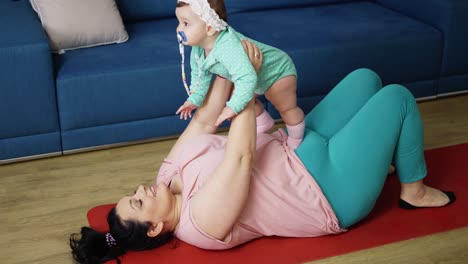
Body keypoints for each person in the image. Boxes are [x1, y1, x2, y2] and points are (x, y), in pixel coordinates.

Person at [69, 41, 456, 264]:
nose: (141, 190)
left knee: (366, 78)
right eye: (138, 202)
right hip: (326, 192)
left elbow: (205, 121)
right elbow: (241, 157)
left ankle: (377, 157)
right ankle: (413, 191)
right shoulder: (199, 224)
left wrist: (221, 55)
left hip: (296, 145)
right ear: (154, 228)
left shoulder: (168, 175)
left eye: (132, 193)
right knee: (397, 99)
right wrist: (246, 82)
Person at [174, 0, 305, 148]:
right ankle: (263, 121)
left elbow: (246, 78)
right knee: (237, 97)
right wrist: (194, 100)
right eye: (178, 22)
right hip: (252, 77)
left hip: (277, 72)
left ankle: (296, 141)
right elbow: (200, 76)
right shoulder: (198, 49)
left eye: (185, 24)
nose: (178, 29)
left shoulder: (228, 47)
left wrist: (231, 108)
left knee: (286, 108)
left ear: (209, 28)